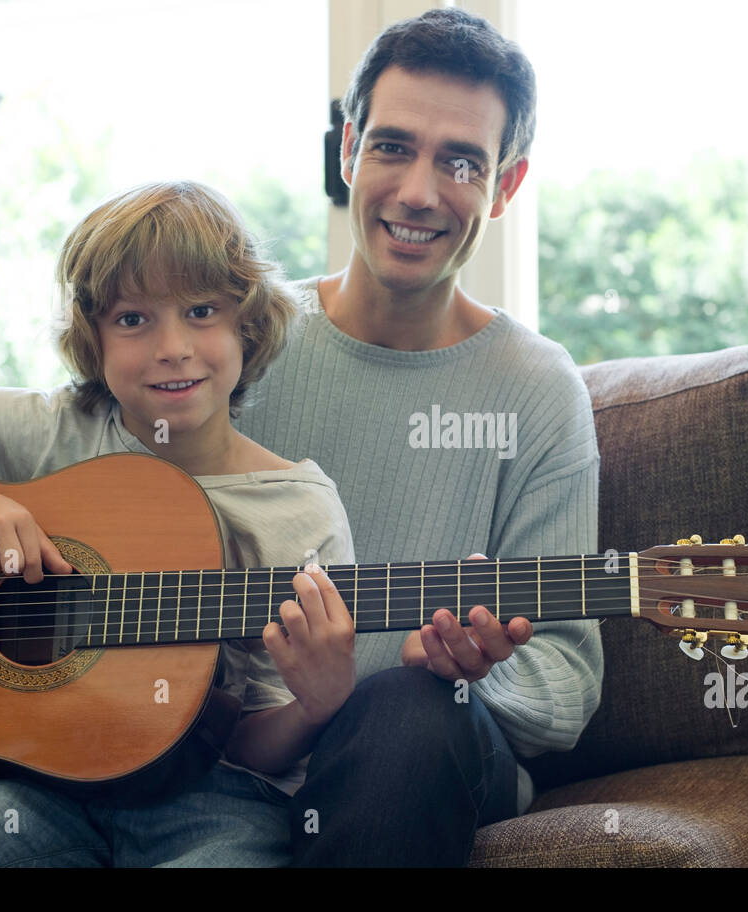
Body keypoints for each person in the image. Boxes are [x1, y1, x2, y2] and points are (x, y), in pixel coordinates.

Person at [0, 180, 359, 866]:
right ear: (93, 337)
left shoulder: (297, 507)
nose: (172, 347)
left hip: (216, 801)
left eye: (200, 311)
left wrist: (315, 705)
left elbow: (250, 741)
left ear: (246, 325)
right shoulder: (58, 431)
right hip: (40, 790)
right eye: (133, 318)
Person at [234, 8, 604, 866]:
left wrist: (478, 669)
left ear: (506, 187)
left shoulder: (539, 390)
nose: (418, 192)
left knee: (404, 706)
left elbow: (570, 682)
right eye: (393, 147)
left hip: (429, 748)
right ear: (348, 151)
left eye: (462, 161)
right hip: (244, 755)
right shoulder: (237, 347)